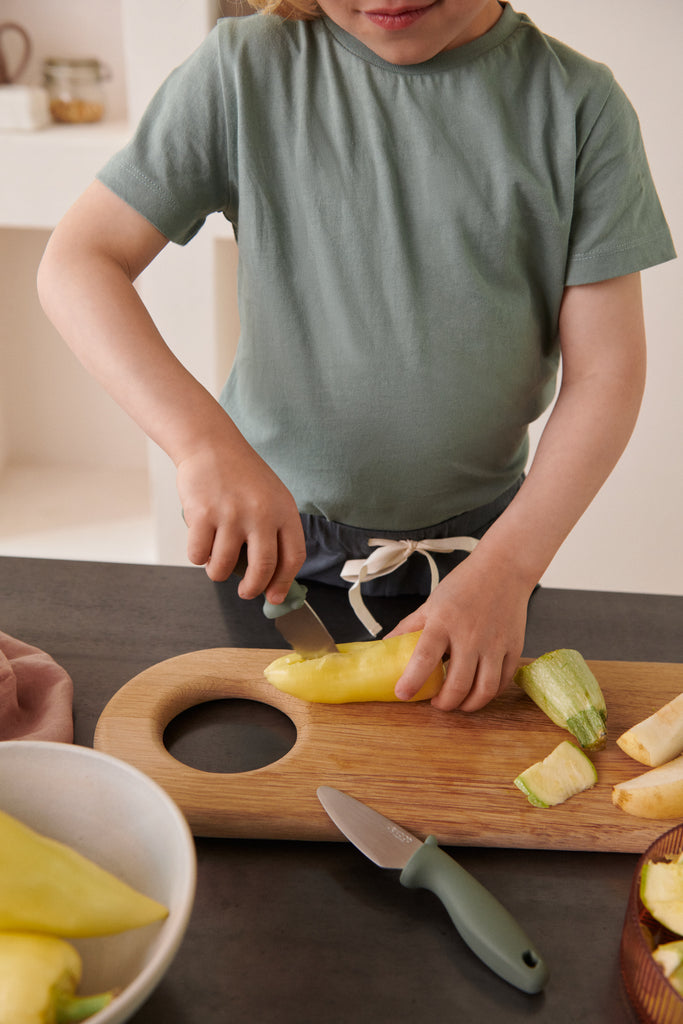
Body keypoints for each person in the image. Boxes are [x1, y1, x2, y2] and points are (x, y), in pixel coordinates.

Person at [37, 0, 675, 713]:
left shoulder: (580, 105)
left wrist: (510, 567)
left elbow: (604, 373)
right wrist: (200, 445)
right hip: (272, 559)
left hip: (486, 563)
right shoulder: (241, 69)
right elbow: (78, 262)